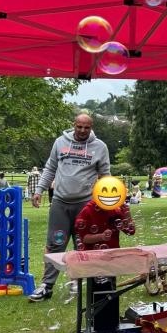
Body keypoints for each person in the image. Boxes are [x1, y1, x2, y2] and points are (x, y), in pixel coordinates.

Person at [28, 114, 111, 302]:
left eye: (86, 127)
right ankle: (46, 286)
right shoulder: (60, 142)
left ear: (91, 127)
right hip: (60, 202)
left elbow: (105, 176)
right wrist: (39, 190)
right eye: (79, 127)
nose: (82, 131)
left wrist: (107, 201)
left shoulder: (100, 147)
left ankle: (76, 281)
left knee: (82, 244)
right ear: (74, 125)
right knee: (55, 243)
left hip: (86, 204)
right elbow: (50, 168)